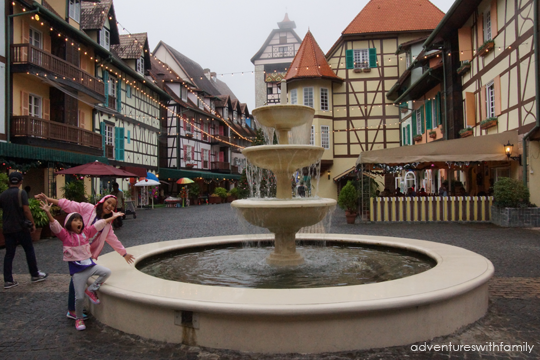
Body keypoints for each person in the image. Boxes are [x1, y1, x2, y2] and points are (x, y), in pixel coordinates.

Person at [34, 193, 134, 319]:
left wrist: (123, 253)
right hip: (75, 250)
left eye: (113, 205)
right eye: (108, 202)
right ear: (103, 201)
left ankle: (81, 299)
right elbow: (68, 204)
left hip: (87, 253)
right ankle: (72, 309)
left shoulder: (107, 225)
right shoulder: (88, 208)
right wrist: (48, 200)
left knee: (83, 276)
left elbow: (112, 239)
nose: (109, 206)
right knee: (75, 278)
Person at [1, 172, 48, 289]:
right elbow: (26, 210)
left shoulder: (2, 195)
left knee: (9, 254)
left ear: (9, 181)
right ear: (21, 181)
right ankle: (35, 274)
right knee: (29, 250)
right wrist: (32, 224)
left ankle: (8, 280)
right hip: (20, 227)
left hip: (7, 228)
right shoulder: (21, 193)